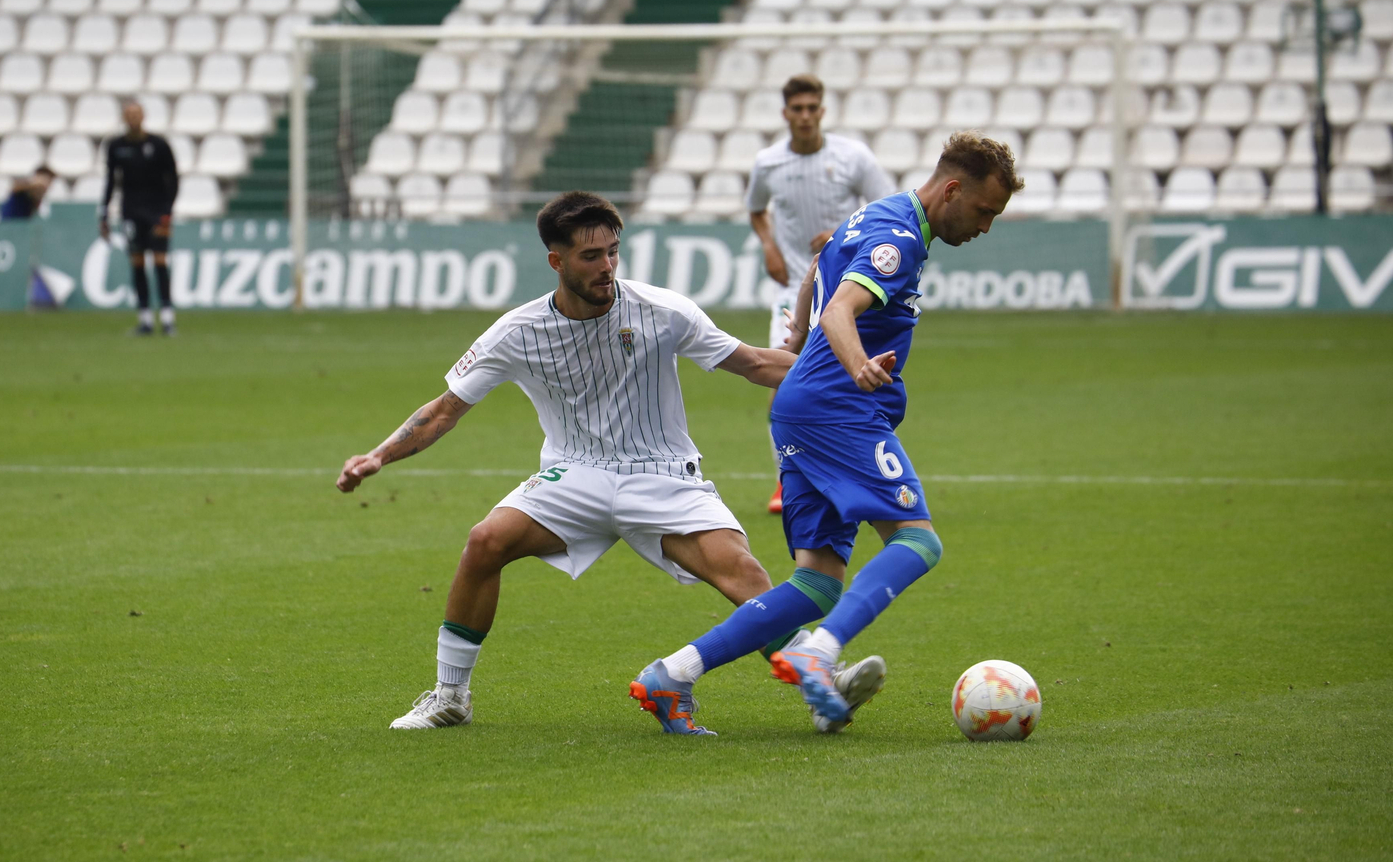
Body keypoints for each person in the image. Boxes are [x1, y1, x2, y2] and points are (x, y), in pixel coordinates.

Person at [336, 192, 798, 733]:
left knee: (743, 572)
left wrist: (846, 368)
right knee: (486, 541)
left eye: (613, 251)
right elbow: (443, 411)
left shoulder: (663, 310)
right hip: (574, 474)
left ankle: (820, 679)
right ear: (556, 261)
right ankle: (450, 696)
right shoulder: (517, 331)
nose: (607, 266)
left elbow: (756, 363)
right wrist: (379, 456)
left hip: (662, 472)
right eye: (591, 256)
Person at [632, 132, 1022, 733]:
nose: (986, 226)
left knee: (816, 583)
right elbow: (841, 309)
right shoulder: (899, 238)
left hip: (802, 407)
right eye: (984, 211)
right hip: (838, 408)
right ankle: (818, 653)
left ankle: (672, 675)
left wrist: (796, 335)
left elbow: (818, 268)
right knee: (918, 544)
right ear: (952, 190)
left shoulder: (877, 214)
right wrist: (856, 363)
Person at [747, 73, 893, 515]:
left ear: (823, 111)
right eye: (798, 109)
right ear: (785, 113)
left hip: (848, 289)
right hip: (794, 287)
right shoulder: (768, 163)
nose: (806, 116)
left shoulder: (854, 156)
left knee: (855, 378)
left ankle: (859, 469)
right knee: (785, 375)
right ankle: (786, 478)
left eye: (813, 108)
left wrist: (843, 233)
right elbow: (756, 210)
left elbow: (887, 209)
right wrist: (769, 246)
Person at [98, 100, 179, 336]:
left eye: (137, 114)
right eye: (129, 114)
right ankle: (145, 319)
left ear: (143, 116)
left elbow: (173, 179)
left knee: (160, 261)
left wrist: (167, 212)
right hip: (131, 211)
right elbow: (111, 180)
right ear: (124, 118)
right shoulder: (115, 146)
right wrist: (104, 212)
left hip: (157, 211)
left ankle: (167, 318)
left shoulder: (159, 145)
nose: (133, 118)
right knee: (137, 263)